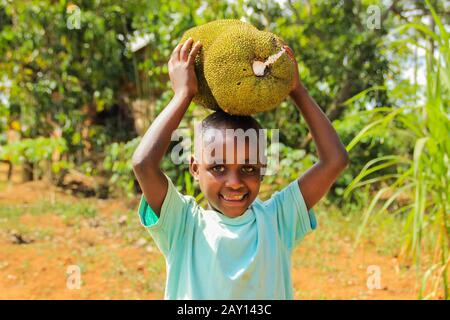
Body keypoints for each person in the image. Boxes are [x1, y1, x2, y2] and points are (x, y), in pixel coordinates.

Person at [132, 37, 349, 299]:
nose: (234, 182)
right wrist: (183, 94)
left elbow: (334, 160)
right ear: (195, 168)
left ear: (263, 168)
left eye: (248, 169)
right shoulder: (183, 225)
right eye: (218, 167)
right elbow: (143, 164)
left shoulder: (278, 220)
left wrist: (297, 90)